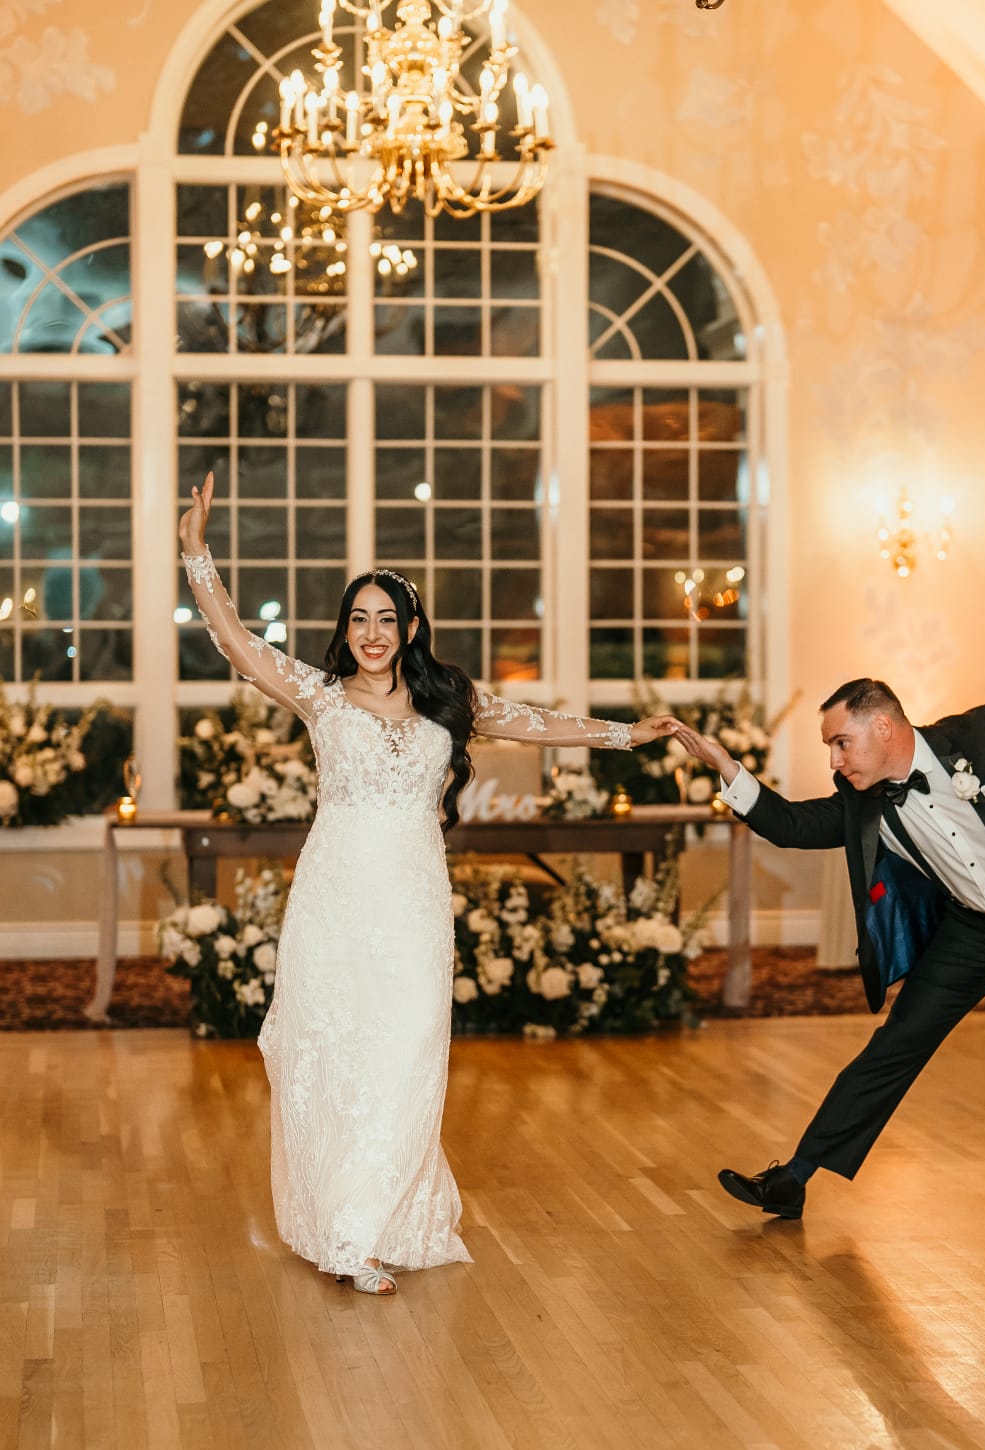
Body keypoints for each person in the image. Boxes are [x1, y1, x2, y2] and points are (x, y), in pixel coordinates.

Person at [179, 472, 678, 1295]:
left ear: (411, 628)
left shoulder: (450, 701)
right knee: (335, 1054)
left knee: (406, 1052)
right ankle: (346, 1230)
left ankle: (385, 1217)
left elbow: (544, 724)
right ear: (346, 629)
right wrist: (198, 555)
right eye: (358, 619)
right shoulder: (321, 696)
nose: (372, 633)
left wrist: (630, 733)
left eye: (387, 619)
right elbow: (237, 642)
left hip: (412, 903)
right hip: (335, 899)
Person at [670, 677, 985, 1232]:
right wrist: (723, 764)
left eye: (840, 743)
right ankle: (794, 1179)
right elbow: (790, 825)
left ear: (882, 726)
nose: (835, 760)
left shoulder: (984, 735)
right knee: (895, 1044)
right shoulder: (863, 803)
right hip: (976, 927)